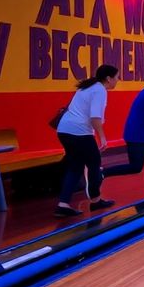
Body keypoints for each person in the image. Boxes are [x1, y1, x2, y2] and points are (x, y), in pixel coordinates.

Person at [54, 65, 120, 217]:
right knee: (94, 164)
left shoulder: (88, 87)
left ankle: (63, 204)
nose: (118, 80)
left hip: (64, 129)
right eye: (116, 77)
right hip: (79, 132)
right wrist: (102, 137)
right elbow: (95, 117)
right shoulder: (99, 90)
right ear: (109, 78)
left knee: (75, 166)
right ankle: (95, 200)